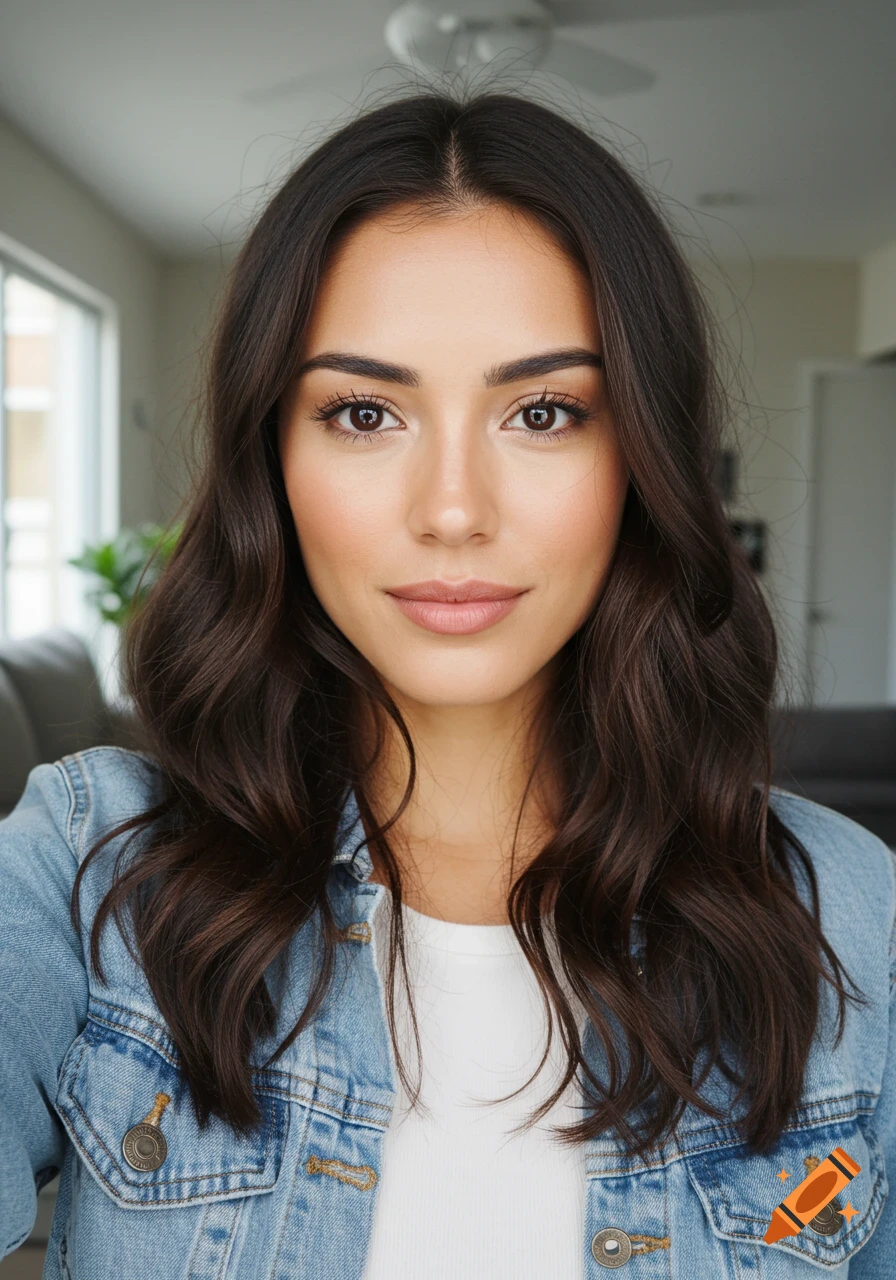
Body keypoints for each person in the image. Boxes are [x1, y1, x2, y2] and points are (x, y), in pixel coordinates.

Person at [1, 87, 893, 1280]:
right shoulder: (90, 860)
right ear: (274, 455)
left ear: (640, 456)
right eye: (364, 411)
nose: (454, 510)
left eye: (543, 411)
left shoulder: (851, 914)